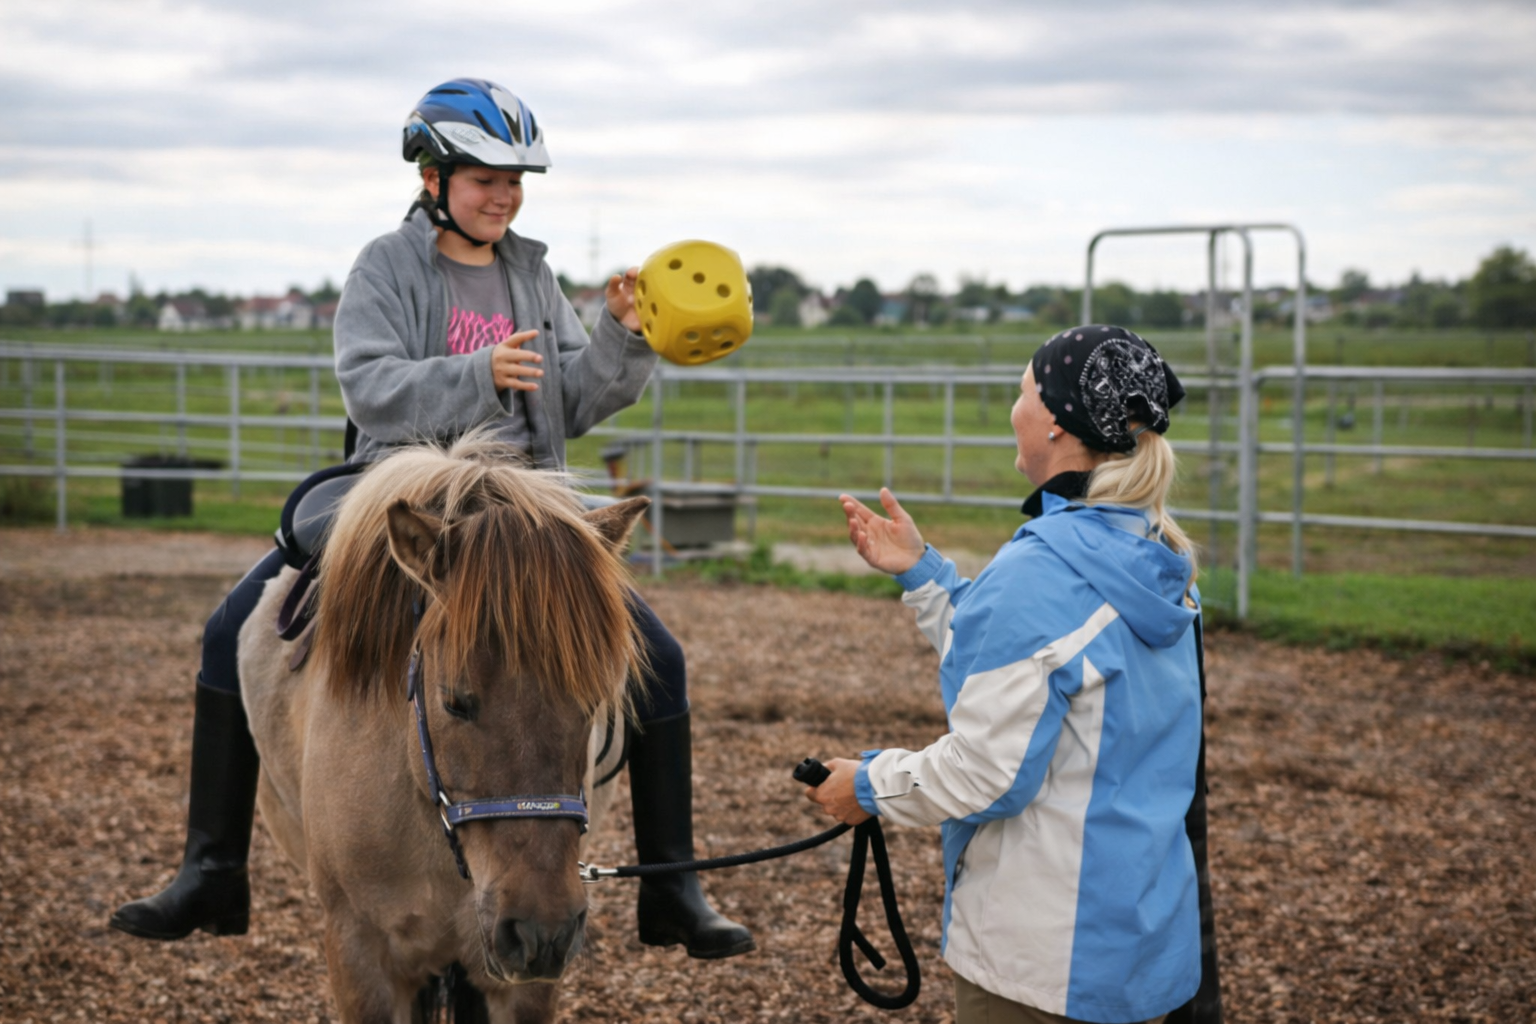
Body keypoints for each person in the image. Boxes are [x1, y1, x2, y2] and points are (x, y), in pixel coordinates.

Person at [110, 77, 753, 960]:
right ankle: (212, 869)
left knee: (661, 657)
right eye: (485, 178)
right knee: (232, 627)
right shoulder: (384, 267)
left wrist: (623, 335)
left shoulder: (531, 273)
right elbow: (369, 388)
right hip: (407, 501)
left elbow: (573, 399)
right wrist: (477, 374)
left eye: (515, 180)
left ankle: (673, 886)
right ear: (433, 177)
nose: (504, 196)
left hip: (520, 511)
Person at [807, 326, 1222, 1024]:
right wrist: (923, 574)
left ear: (1056, 422)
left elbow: (986, 774)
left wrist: (869, 786)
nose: (1014, 408)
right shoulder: (1153, 555)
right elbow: (1023, 661)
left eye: (1024, 390)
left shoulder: (1042, 571)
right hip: (1141, 944)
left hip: (1045, 963)